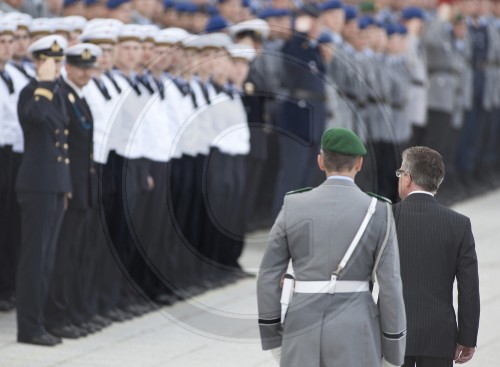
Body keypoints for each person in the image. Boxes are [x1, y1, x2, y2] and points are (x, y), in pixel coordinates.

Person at [257, 128, 406, 367]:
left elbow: (268, 275)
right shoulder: (378, 211)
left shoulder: (294, 205)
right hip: (356, 329)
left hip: (300, 327)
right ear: (359, 163)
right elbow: (390, 286)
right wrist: (393, 349)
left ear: (320, 161)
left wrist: (272, 337)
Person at [393, 146, 480, 367]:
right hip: (439, 336)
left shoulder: (386, 218)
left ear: (408, 178)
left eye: (400, 173)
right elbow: (468, 288)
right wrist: (467, 338)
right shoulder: (459, 224)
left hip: (391, 332)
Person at [15, 34, 71, 346]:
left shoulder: (55, 93)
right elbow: (33, 117)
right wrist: (45, 84)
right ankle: (29, 328)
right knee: (34, 259)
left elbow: (64, 141)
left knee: (47, 258)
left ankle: (41, 322)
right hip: (36, 185)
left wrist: (67, 186)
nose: (56, 67)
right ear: (37, 62)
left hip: (55, 185)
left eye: (59, 61)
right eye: (50, 61)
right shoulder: (32, 93)